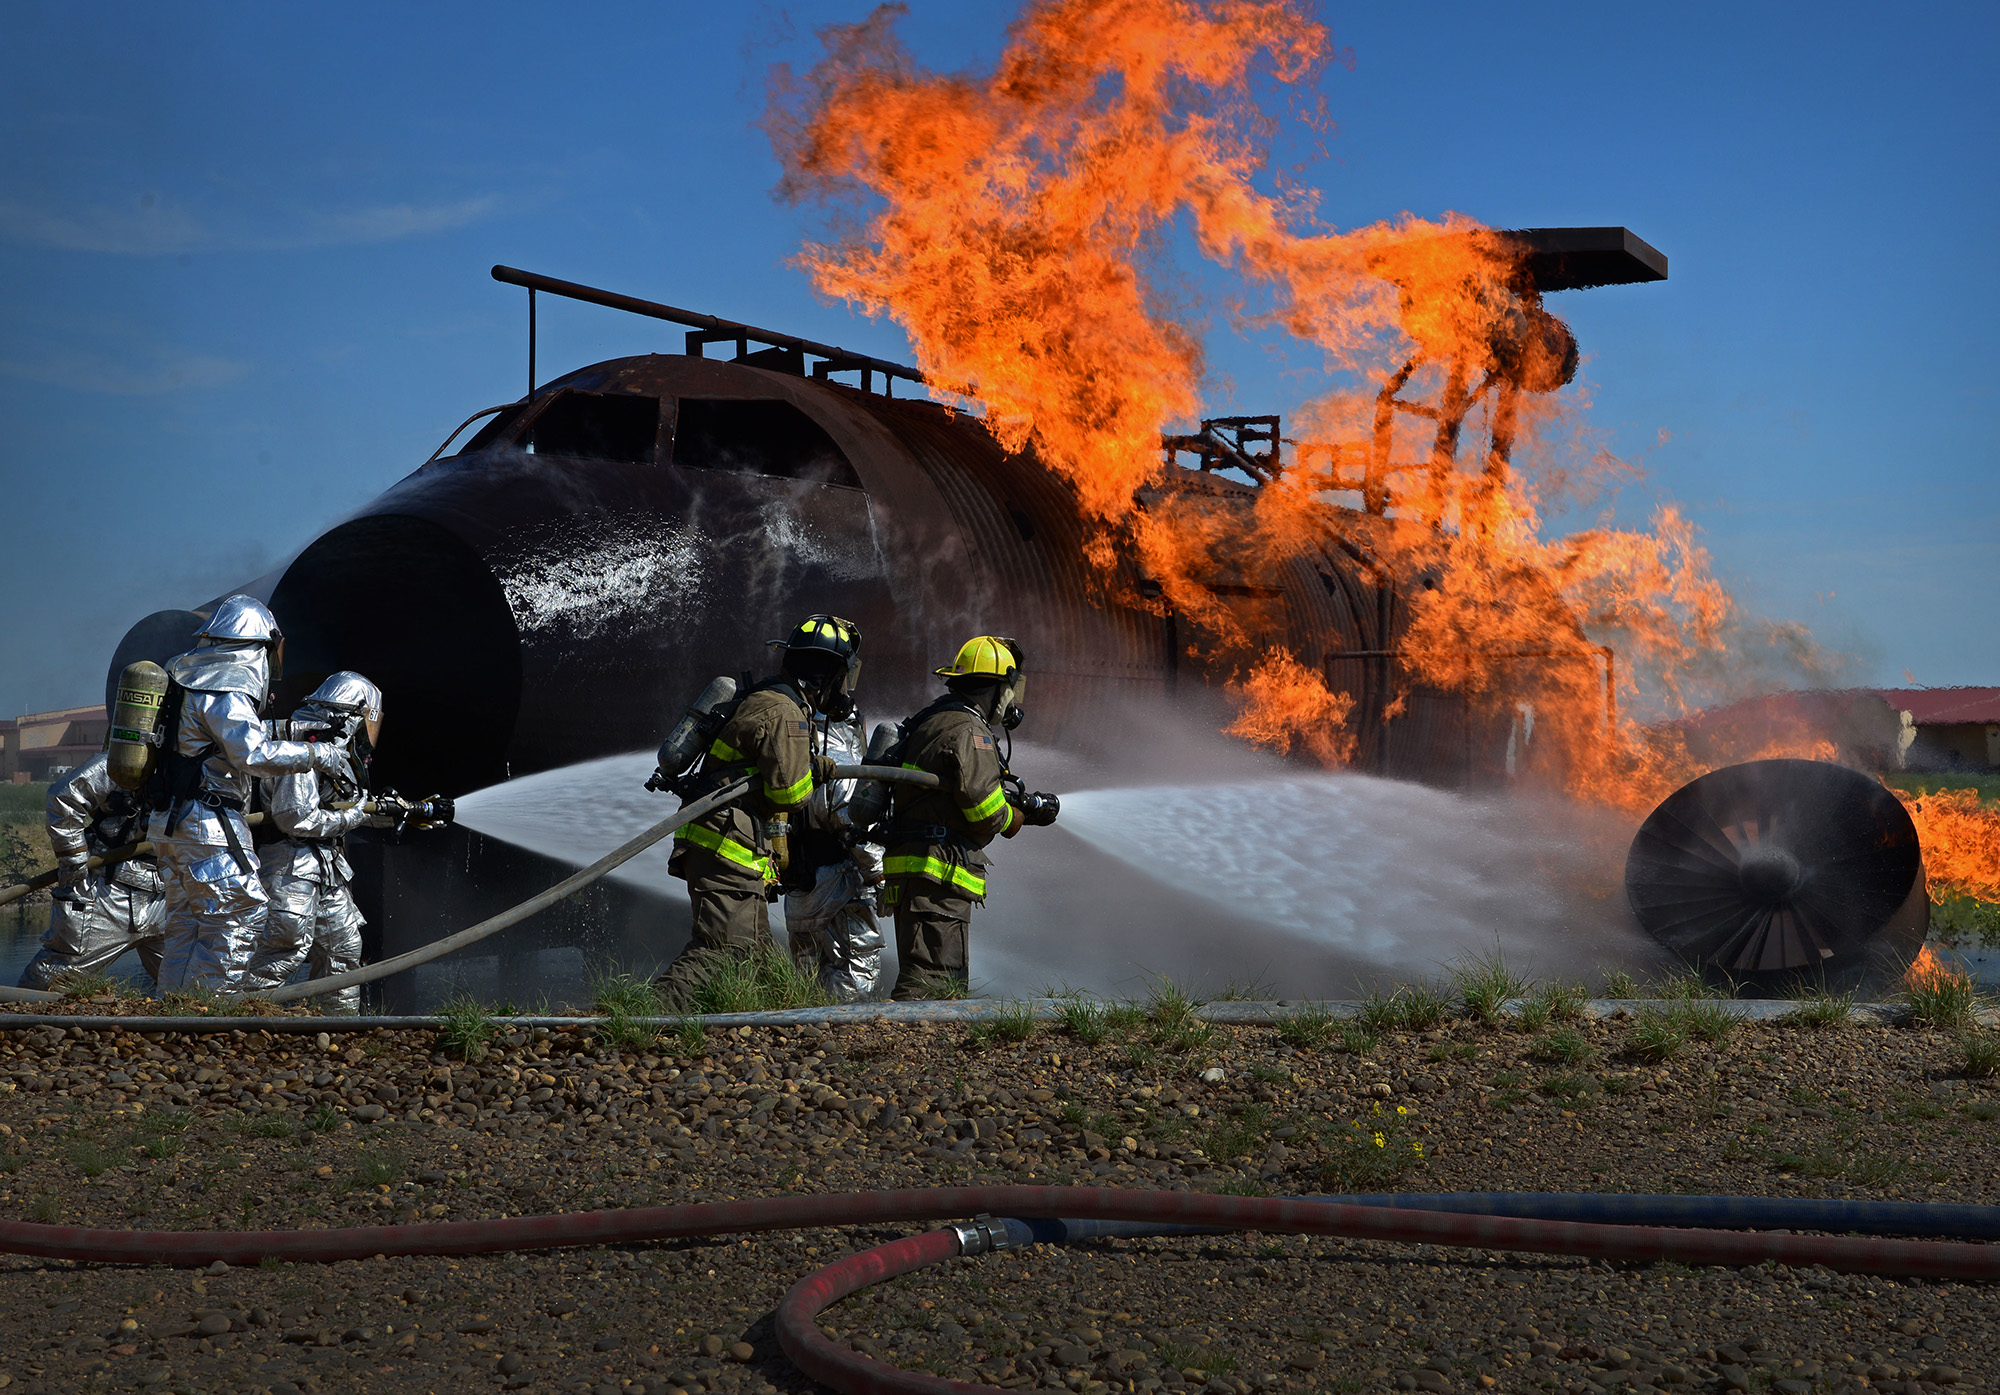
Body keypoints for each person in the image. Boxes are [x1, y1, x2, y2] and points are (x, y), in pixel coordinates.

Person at [148, 595, 350, 994]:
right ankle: (209, 1016)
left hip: (170, 819)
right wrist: (317, 753)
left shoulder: (188, 678)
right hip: (208, 819)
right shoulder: (227, 683)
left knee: (188, 923)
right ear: (261, 644)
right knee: (240, 912)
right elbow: (251, 754)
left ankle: (173, 1013)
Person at [656, 614, 857, 1001]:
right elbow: (790, 795)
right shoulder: (785, 712)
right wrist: (814, 771)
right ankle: (644, 1017)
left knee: (757, 956)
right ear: (826, 674)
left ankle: (750, 1028)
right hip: (726, 842)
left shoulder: (768, 698)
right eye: (841, 675)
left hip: (729, 841)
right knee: (721, 951)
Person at [881, 635, 1058, 1000]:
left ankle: (912, 1050)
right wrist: (1019, 816)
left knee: (936, 979)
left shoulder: (935, 719)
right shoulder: (970, 731)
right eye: (1012, 688)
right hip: (936, 875)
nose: (1013, 700)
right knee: (931, 984)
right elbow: (985, 812)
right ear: (997, 687)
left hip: (923, 871)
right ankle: (909, 1049)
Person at [234, 672, 395, 1012]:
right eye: (371, 719)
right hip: (290, 867)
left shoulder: (334, 748)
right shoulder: (305, 746)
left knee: (344, 947)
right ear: (354, 714)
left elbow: (338, 804)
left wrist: (385, 813)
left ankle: (338, 1031)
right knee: (283, 948)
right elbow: (294, 816)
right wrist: (351, 819)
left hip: (325, 868)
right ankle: (234, 1024)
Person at [19, 751, 165, 990]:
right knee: (46, 990)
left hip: (169, 897)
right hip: (106, 893)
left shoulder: (203, 764)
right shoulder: (129, 757)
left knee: (195, 989)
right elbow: (63, 796)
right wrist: (74, 861)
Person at [782, 709, 885, 1001]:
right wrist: (879, 877)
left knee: (806, 973)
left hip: (800, 892)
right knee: (857, 971)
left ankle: (803, 1036)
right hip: (842, 890)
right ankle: (843, 1033)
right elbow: (856, 825)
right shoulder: (842, 765)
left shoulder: (793, 760)